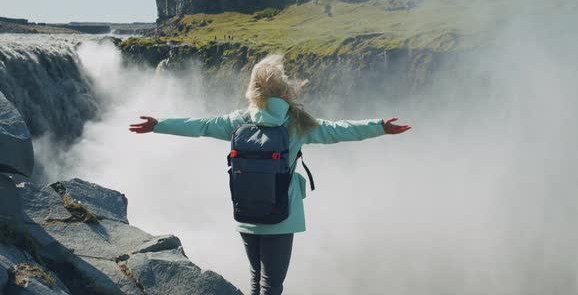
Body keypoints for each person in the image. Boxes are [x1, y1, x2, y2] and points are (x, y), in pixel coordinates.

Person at [128, 55, 411, 295]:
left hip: (247, 212)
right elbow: (340, 130)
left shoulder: (238, 121)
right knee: (272, 285)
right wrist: (379, 126)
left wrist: (158, 124)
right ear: (285, 90)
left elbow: (200, 125)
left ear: (254, 89)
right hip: (281, 216)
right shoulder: (297, 124)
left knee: (255, 279)